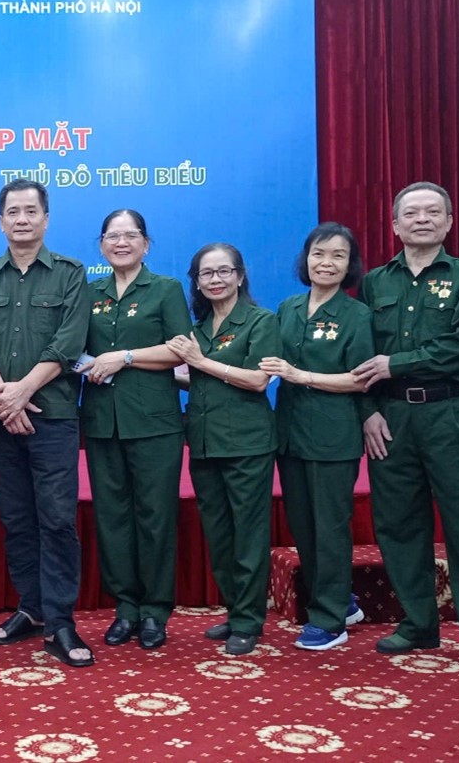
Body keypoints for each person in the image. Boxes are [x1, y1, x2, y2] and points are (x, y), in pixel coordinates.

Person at [351, 181, 459, 671]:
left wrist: (398, 364)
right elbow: (361, 352)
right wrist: (368, 410)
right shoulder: (375, 282)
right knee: (398, 522)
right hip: (391, 416)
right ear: (395, 225)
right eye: (411, 213)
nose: (423, 219)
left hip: (450, 412)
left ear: (449, 222)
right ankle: (418, 623)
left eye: (434, 212)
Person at [0, 178, 92, 668]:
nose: (22, 219)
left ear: (46, 218)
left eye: (30, 211)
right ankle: (32, 608)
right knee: (16, 519)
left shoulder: (70, 273)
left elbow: (69, 342)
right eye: (13, 212)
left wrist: (23, 391)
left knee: (57, 518)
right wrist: (4, 396)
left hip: (52, 415)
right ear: (1, 221)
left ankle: (60, 621)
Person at [78, 210, 192, 650]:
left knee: (155, 516)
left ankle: (155, 611)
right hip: (103, 422)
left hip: (155, 423)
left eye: (130, 235)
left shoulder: (165, 289)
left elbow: (180, 350)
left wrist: (124, 357)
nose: (121, 242)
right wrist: (85, 363)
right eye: (112, 236)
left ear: (146, 243)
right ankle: (125, 608)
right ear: (101, 244)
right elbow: (71, 348)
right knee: (112, 518)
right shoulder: (90, 292)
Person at [259, 224, 373, 651]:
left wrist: (300, 375)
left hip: (333, 435)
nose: (326, 263)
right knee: (303, 525)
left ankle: (329, 620)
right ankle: (342, 601)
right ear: (305, 259)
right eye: (318, 254)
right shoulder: (288, 308)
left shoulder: (356, 315)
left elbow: (360, 379)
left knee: (330, 526)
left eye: (338, 256)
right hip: (289, 434)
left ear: (350, 264)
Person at [168, 243, 278, 655]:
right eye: (206, 274)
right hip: (203, 442)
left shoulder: (261, 320)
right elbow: (199, 378)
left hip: (247, 443)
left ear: (240, 275)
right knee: (219, 534)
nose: (215, 280)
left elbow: (257, 380)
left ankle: (249, 621)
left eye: (223, 271)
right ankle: (235, 610)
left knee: (248, 535)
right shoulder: (198, 329)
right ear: (196, 282)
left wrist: (199, 362)